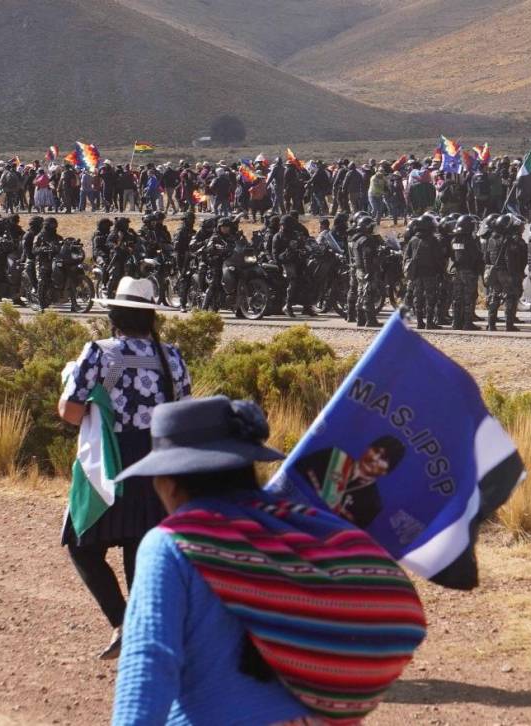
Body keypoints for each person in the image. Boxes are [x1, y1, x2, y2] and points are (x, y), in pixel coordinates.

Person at [110, 396, 425, 726]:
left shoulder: (170, 544)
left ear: (167, 485)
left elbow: (149, 664)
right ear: (246, 466)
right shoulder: (297, 527)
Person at [57, 277, 192, 660]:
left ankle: (122, 621)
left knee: (82, 545)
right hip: (158, 463)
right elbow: (182, 411)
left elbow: (71, 411)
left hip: (111, 460)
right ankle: (148, 636)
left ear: (114, 314)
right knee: (140, 549)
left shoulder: (99, 353)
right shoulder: (172, 357)